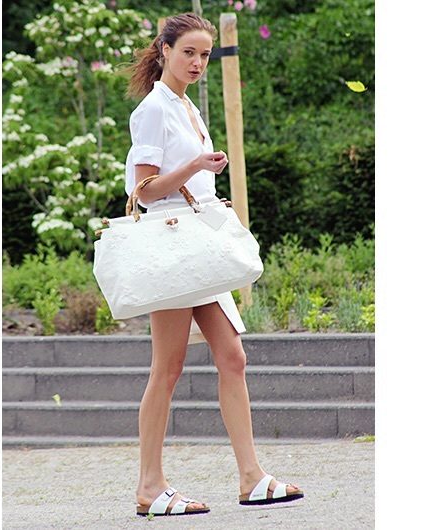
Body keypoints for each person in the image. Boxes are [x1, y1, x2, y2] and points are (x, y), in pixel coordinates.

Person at [122, 12, 304, 517]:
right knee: (167, 367)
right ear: (164, 50)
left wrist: (202, 174)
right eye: (189, 52)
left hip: (199, 249)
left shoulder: (186, 107)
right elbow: (144, 191)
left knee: (232, 357)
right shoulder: (153, 109)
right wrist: (195, 166)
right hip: (172, 248)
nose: (198, 62)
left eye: (204, 54)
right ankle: (149, 486)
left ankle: (251, 477)